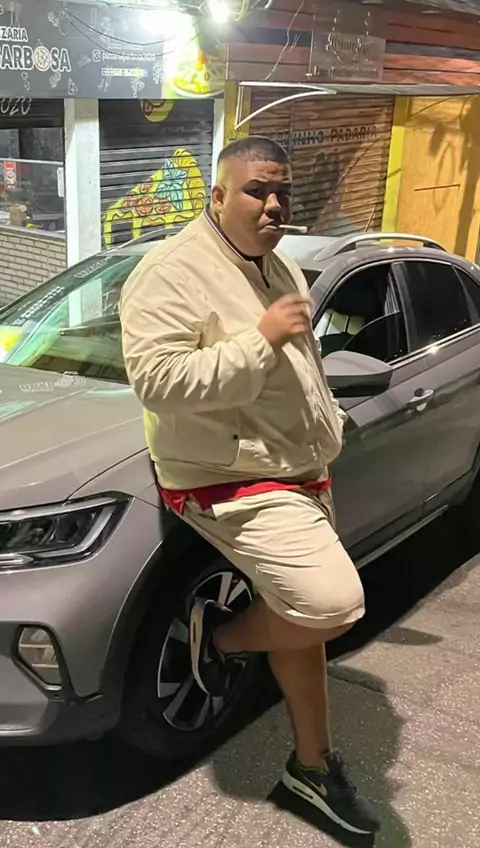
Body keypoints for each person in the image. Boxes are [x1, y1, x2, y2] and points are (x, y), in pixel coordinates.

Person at [120, 135, 380, 836]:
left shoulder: (280, 263)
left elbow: (303, 367)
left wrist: (327, 422)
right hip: (232, 477)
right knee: (331, 603)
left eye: (283, 192)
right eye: (257, 190)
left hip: (298, 466)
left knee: (302, 622)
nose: (273, 205)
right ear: (217, 195)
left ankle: (311, 768)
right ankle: (225, 639)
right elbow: (159, 383)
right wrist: (260, 338)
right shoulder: (168, 271)